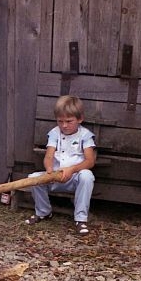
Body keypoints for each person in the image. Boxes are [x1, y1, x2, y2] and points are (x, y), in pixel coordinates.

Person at [24, 95, 96, 235]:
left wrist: (71, 170)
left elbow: (90, 161)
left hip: (75, 178)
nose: (64, 125)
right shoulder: (54, 133)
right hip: (56, 177)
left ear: (80, 119)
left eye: (69, 121)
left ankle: (81, 219)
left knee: (87, 176)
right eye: (60, 121)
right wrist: (50, 171)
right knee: (33, 178)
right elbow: (49, 156)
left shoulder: (85, 135)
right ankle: (44, 212)